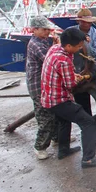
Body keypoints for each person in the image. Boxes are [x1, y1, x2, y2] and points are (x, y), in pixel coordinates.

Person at [40, 28, 96, 167]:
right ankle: (88, 159)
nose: (79, 50)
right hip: (59, 100)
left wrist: (72, 75)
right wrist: (82, 77)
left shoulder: (54, 48)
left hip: (47, 98)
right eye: (78, 47)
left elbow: (62, 75)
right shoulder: (64, 60)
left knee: (64, 121)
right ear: (69, 46)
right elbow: (70, 85)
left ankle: (63, 150)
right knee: (89, 123)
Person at [26, 16, 60, 160]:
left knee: (54, 110)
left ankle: (56, 137)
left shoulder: (43, 41)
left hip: (46, 83)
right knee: (45, 116)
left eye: (48, 29)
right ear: (34, 30)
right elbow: (50, 60)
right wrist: (57, 45)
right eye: (44, 29)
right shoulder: (36, 44)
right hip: (38, 85)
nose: (47, 32)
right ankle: (40, 146)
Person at [67, 8, 96, 115]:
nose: (86, 24)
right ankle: (87, 120)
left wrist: (87, 45)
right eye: (83, 22)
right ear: (78, 21)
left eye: (89, 22)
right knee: (81, 97)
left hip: (93, 68)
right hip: (77, 68)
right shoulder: (70, 32)